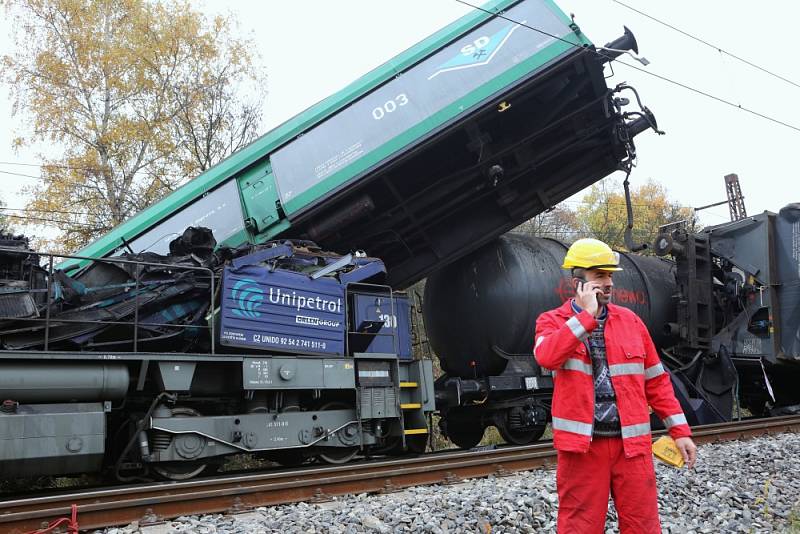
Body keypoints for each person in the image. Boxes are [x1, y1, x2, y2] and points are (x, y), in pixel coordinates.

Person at [533, 238, 697, 534]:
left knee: (642, 527)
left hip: (632, 449)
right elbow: (547, 357)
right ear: (577, 283)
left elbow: (657, 382)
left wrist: (680, 431)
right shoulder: (553, 322)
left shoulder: (631, 322)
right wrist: (585, 318)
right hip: (582, 451)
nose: (608, 283)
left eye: (610, 275)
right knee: (579, 528)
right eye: (599, 276)